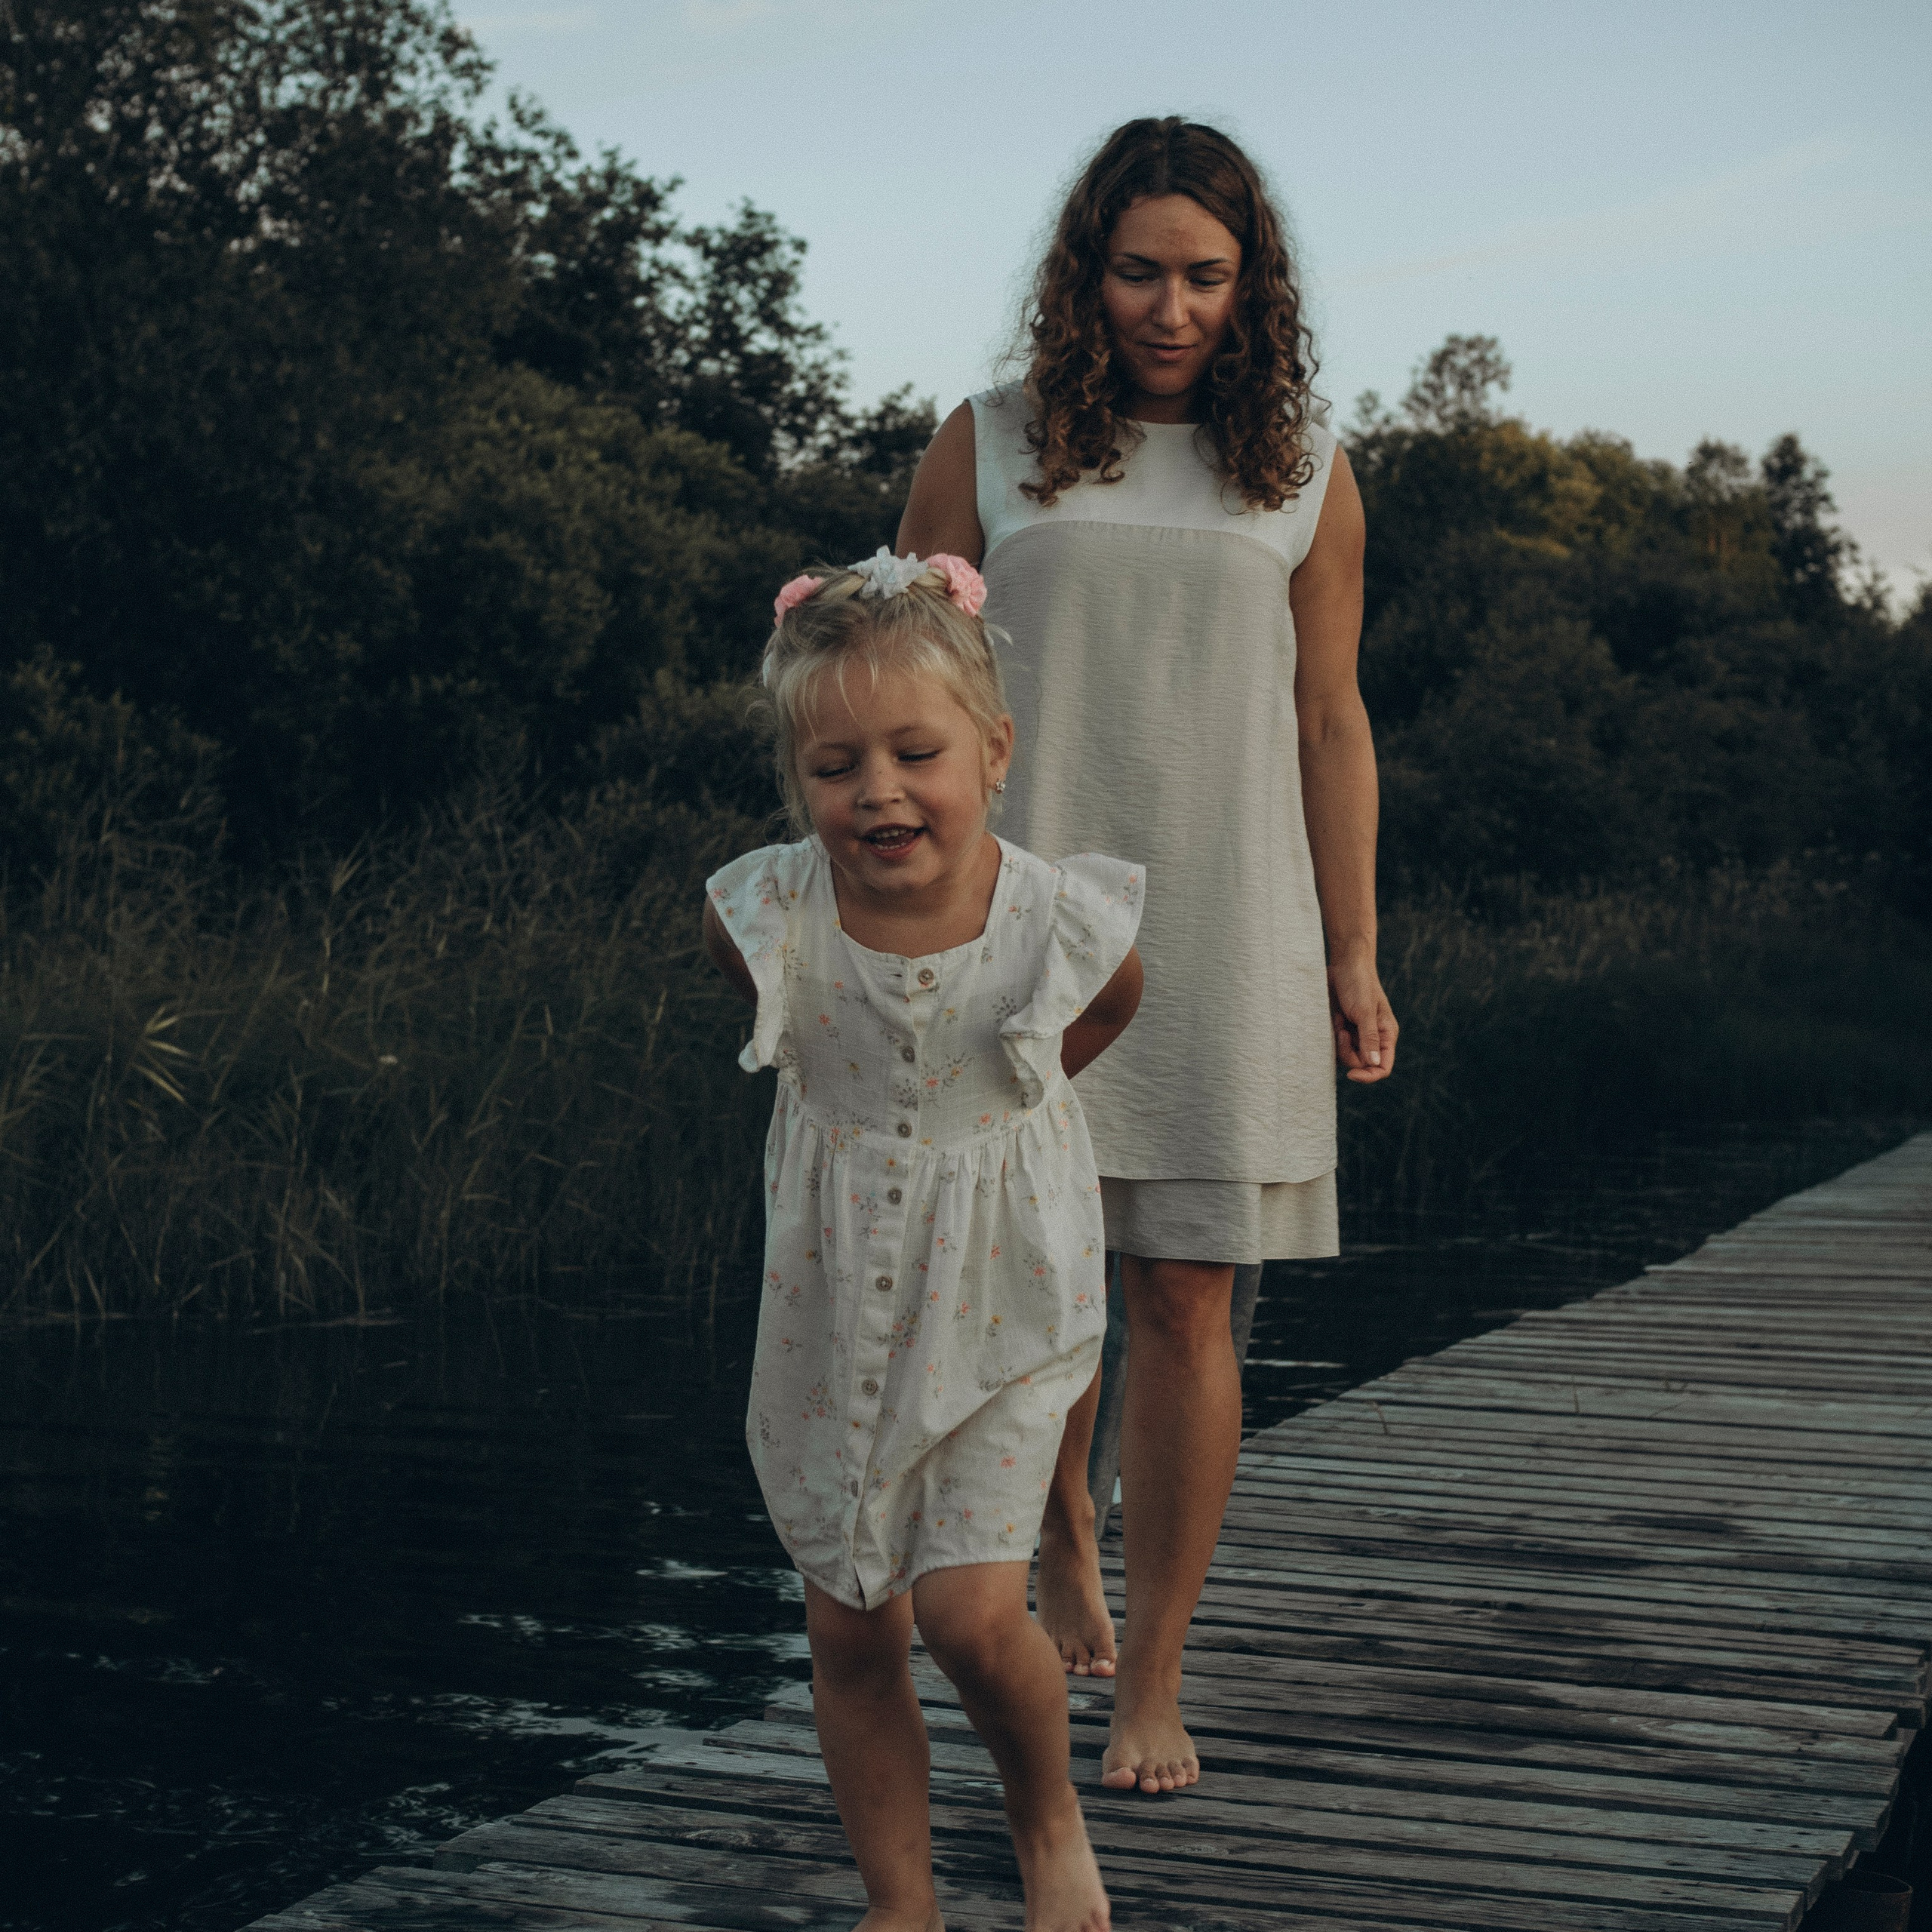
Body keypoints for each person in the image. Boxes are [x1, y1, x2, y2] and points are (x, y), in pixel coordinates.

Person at [897, 117, 1397, 1797]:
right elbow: (906, 699)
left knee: (1186, 1293)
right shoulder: (986, 444)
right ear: (1083, 274)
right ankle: (1056, 1543)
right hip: (1018, 925)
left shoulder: (1304, 468)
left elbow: (1329, 717)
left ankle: (1152, 1676)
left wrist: (1352, 945)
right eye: (1137, 271)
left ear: (1249, 286)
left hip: (1227, 927)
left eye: (1203, 274)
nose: (1168, 308)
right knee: (1033, 1290)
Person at [703, 549, 1144, 1932]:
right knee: (849, 1623)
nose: (878, 790)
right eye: (836, 766)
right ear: (799, 780)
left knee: (961, 1614)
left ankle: (1044, 1812)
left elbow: (1110, 1006)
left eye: (915, 752)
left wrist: (1010, 1103)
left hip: (1009, 1287)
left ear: (993, 752)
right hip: (834, 1305)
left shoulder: (1057, 917)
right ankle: (902, 1900)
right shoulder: (767, 917)